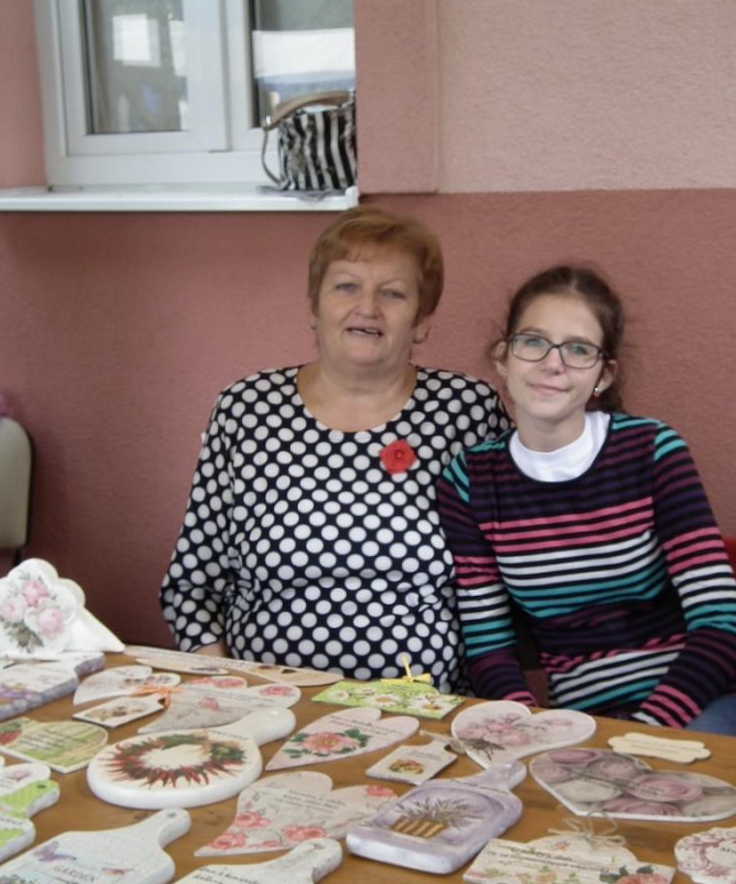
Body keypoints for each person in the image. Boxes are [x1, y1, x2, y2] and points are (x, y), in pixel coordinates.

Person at [160, 206, 508, 692]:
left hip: (428, 707)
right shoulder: (246, 409)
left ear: (422, 321)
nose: (368, 306)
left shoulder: (467, 411)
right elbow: (191, 586)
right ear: (313, 307)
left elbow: (512, 572)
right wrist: (229, 689)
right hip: (270, 705)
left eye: (393, 292)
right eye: (346, 286)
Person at [436, 264, 736, 738]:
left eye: (579, 349)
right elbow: (489, 646)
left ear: (604, 374)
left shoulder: (652, 450)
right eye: (533, 342)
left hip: (706, 703)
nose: (553, 363)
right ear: (503, 357)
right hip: (588, 726)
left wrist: (641, 733)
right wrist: (528, 732)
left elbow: (722, 625)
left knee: (647, 778)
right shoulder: (469, 480)